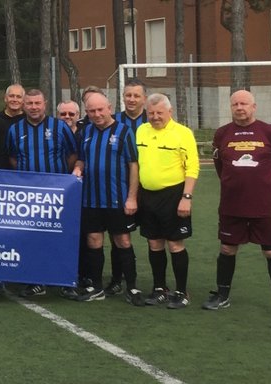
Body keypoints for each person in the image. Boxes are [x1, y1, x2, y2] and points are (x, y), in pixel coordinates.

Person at [202, 90, 271, 318]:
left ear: (254, 106)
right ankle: (222, 296)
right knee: (227, 248)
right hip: (232, 205)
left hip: (264, 206)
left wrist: (267, 189)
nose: (239, 107)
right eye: (235, 104)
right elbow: (219, 167)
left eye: (244, 103)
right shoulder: (222, 134)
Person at [72, 93, 143, 304]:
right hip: (91, 199)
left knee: (122, 241)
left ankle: (132, 287)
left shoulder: (124, 131)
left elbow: (133, 165)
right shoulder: (85, 132)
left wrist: (131, 198)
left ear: (109, 108)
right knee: (93, 240)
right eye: (91, 111)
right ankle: (96, 286)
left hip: (117, 199)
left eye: (100, 110)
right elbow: (82, 160)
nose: (96, 114)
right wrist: (77, 168)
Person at [7, 88, 77, 298]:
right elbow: (12, 157)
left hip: (57, 193)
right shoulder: (15, 129)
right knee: (31, 237)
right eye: (30, 103)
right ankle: (36, 280)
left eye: (38, 103)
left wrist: (60, 177)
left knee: (60, 237)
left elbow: (72, 154)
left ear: (45, 104)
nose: (34, 107)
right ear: (24, 105)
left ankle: (64, 280)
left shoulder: (59, 127)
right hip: (27, 196)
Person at [136, 93, 199, 309]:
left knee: (174, 244)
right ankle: (159, 288)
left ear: (170, 112)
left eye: (159, 113)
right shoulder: (141, 130)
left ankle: (181, 292)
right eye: (151, 113)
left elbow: (192, 168)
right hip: (147, 196)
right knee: (154, 243)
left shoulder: (183, 133)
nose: (155, 117)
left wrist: (186, 198)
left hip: (174, 196)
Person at [104, 79, 148, 296]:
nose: (131, 99)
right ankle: (116, 279)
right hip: (120, 189)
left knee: (155, 237)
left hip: (150, 189)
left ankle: (159, 284)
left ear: (144, 99)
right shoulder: (114, 120)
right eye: (128, 95)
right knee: (117, 236)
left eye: (136, 95)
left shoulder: (154, 119)